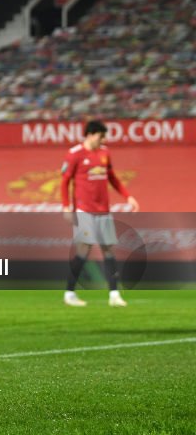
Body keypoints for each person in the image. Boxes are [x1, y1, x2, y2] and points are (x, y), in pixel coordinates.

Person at [61, 120, 139, 307]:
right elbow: (64, 181)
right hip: (84, 210)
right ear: (90, 134)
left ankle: (114, 295)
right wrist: (66, 207)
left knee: (108, 250)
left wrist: (128, 196)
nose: (103, 140)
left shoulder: (104, 153)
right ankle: (69, 293)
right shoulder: (74, 154)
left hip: (103, 210)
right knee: (84, 249)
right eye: (100, 136)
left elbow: (112, 177)